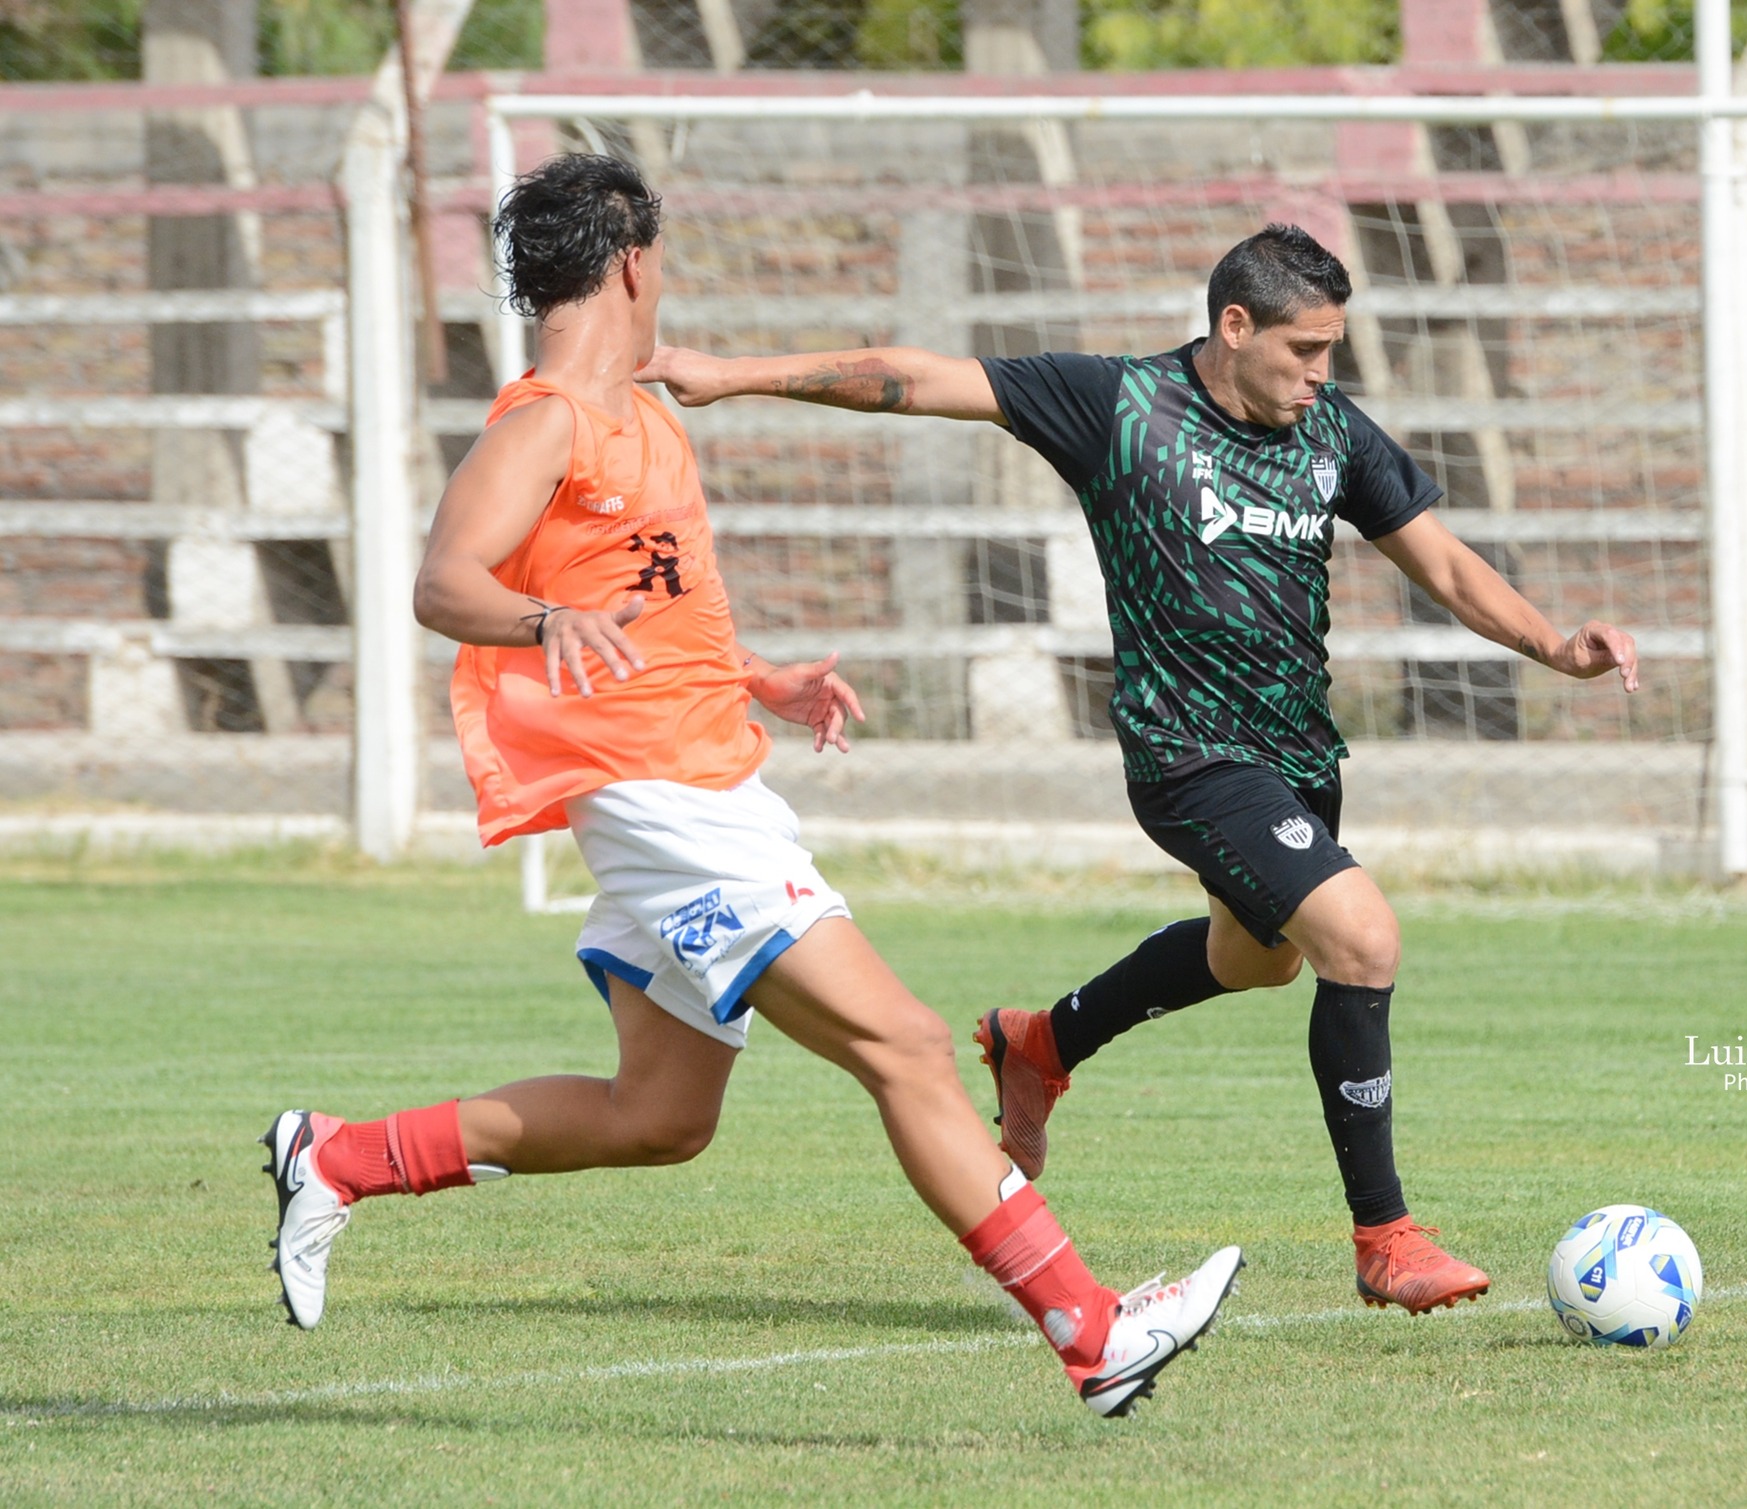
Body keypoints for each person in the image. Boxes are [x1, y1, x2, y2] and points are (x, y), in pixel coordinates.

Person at [262, 154, 1242, 1420]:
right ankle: (1090, 1332)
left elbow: (655, 610)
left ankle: (337, 1157)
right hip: (662, 803)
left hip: (701, 777)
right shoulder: (546, 417)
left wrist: (756, 676)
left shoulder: (644, 415)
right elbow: (442, 581)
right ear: (631, 262)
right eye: (660, 258)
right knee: (904, 1045)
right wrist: (540, 616)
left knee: (658, 1115)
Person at [636, 223, 1641, 1318]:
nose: (1320, 374)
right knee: (1361, 939)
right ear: (1232, 325)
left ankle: (1040, 1043)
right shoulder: (1117, 405)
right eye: (1303, 350)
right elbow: (919, 378)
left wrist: (1553, 646)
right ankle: (1384, 1236)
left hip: (1297, 752)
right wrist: (729, 376)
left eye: (1331, 353)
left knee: (1256, 963)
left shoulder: (1331, 432)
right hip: (1185, 753)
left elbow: (1439, 558)